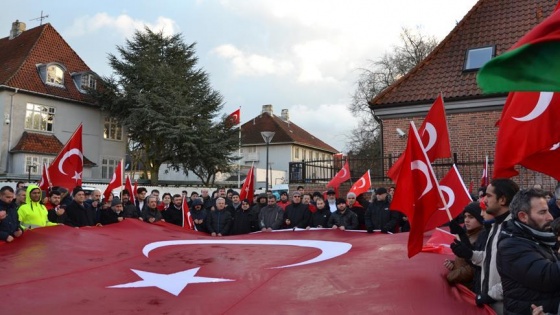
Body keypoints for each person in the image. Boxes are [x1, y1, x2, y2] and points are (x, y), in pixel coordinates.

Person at [451, 178, 519, 313]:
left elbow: (516, 276)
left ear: (502, 200)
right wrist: (470, 254)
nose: (484, 200)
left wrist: (489, 295)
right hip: (492, 305)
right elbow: (490, 259)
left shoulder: (513, 230)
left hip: (505, 307)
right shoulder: (496, 226)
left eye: (488, 196)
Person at [497, 189, 560, 315]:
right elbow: (548, 276)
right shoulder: (511, 246)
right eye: (543, 212)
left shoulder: (540, 237)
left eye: (547, 210)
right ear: (523, 216)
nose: (550, 217)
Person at [444, 202, 484, 291]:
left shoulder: (482, 237)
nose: (466, 220)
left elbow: (473, 268)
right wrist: (453, 264)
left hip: (471, 289)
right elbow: (465, 261)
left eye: (471, 217)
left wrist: (451, 276)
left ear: (480, 217)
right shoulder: (468, 234)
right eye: (465, 216)